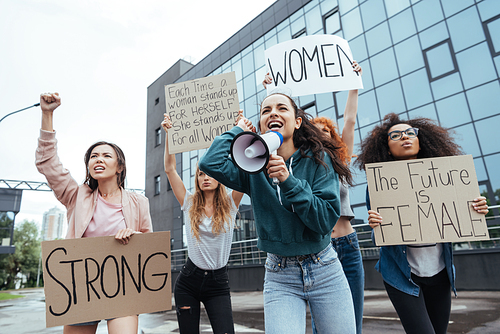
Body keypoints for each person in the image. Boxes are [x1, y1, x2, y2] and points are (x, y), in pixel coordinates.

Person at [198, 91, 356, 333]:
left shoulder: (319, 159)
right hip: (280, 274)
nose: (273, 112)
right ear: (261, 124)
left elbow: (324, 221)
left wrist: (288, 180)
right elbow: (211, 163)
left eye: (282, 108)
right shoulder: (252, 166)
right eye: (265, 111)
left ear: (297, 121)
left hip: (324, 268)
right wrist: (238, 131)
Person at [354, 112, 489, 334]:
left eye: (410, 133)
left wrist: (475, 209)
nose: (404, 137)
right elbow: (380, 236)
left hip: (440, 273)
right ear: (386, 148)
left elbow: (457, 215)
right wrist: (375, 225)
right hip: (402, 275)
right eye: (395, 135)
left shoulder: (445, 177)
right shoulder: (378, 187)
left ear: (420, 140)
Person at [35, 92, 152, 334]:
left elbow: (149, 248)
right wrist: (47, 114)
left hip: (122, 287)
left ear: (120, 166)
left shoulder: (139, 202)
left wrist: (134, 236)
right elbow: (48, 163)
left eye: (106, 155)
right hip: (81, 287)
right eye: (93, 156)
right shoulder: (76, 195)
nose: (98, 159)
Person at [264, 61, 365, 334]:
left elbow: (350, 121)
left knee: (348, 322)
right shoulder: (298, 160)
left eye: (326, 133)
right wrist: (274, 96)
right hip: (308, 246)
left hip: (342, 244)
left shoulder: (334, 157)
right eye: (315, 131)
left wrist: (353, 84)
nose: (320, 136)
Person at [161, 114, 244, 334]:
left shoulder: (230, 203)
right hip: (189, 280)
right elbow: (170, 169)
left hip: (218, 283)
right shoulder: (188, 202)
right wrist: (169, 135)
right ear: (196, 179)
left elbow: (246, 169)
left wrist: (241, 131)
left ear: (219, 176)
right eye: (200, 174)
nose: (205, 177)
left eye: (209, 173)